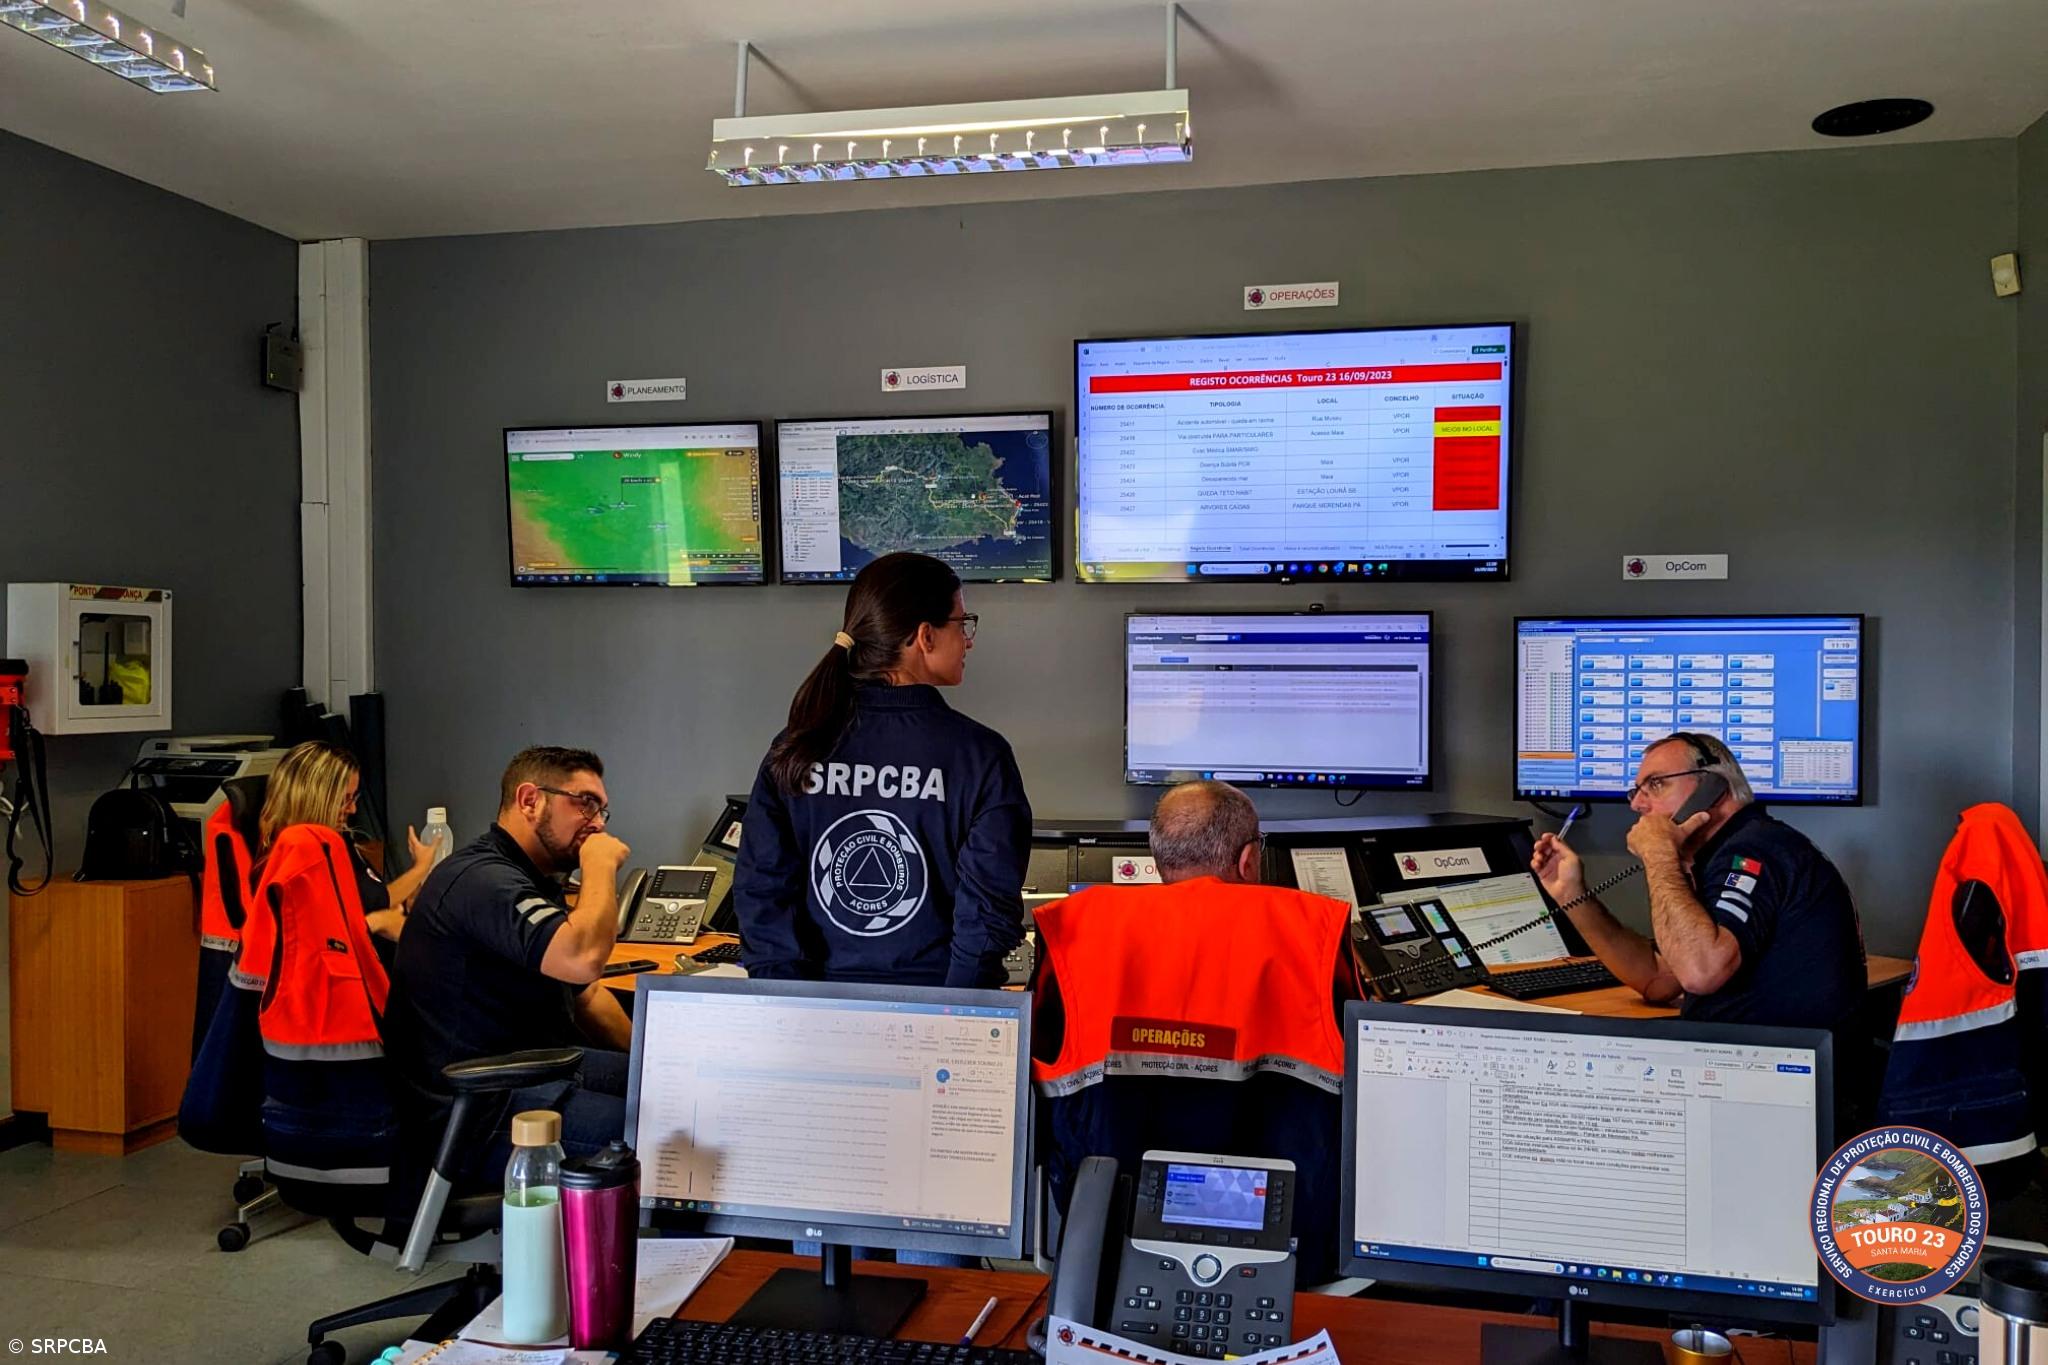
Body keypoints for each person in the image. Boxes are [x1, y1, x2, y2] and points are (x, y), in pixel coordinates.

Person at [1031, 781, 1362, 1285]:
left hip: (1108, 1248)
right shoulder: (1315, 930)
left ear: (1159, 860)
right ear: (1250, 859)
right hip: (1286, 1255)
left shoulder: (1075, 929)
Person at [735, 551, 1030, 988]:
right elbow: (985, 917)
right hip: (936, 1016)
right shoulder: (980, 756)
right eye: (961, 623)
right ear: (924, 636)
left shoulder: (796, 746)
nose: (968, 640)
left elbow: (762, 891)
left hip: (811, 1019)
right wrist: (956, 1014)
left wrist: (787, 1000)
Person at [382, 745, 633, 1171]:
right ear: (530, 800)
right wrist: (600, 867)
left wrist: (652, 1062)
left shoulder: (530, 879)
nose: (597, 824)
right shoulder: (483, 880)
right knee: (670, 1134)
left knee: (677, 1094)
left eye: (603, 811)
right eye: (585, 803)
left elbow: (586, 993)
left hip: (532, 1073)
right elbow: (582, 958)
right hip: (476, 1108)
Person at [1530, 731, 1867, 1032]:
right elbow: (1658, 979)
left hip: (1775, 1076)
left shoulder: (1754, 851)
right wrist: (1572, 895)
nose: (1637, 803)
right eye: (1635, 790)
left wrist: (1660, 853)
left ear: (1712, 786)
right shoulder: (1725, 853)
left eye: (1656, 784)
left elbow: (1700, 972)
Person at [256, 740, 436, 946]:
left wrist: (399, 904)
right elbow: (321, 942)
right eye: (345, 800)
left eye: (354, 798)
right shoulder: (297, 861)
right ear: (315, 799)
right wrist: (378, 921)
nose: (352, 810)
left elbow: (368, 899)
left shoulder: (336, 841)